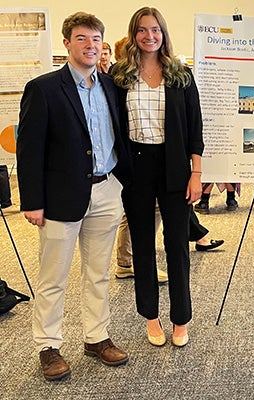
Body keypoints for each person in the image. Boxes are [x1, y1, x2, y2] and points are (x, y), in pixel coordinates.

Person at [17, 11, 129, 381]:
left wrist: (122, 184)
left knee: (98, 273)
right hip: (60, 197)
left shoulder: (111, 86)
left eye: (96, 39)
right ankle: (48, 346)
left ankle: (96, 337)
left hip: (106, 190)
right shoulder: (45, 88)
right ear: (67, 43)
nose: (91, 46)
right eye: (82, 39)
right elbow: (29, 150)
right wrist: (32, 201)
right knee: (54, 276)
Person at [110, 6, 203, 348]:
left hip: (175, 165)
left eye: (156, 30)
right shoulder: (119, 77)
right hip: (135, 166)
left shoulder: (181, 76)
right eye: (142, 30)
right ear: (134, 34)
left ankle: (180, 319)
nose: (150, 36)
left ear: (164, 34)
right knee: (142, 246)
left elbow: (195, 127)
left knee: (177, 244)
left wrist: (196, 173)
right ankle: (151, 315)